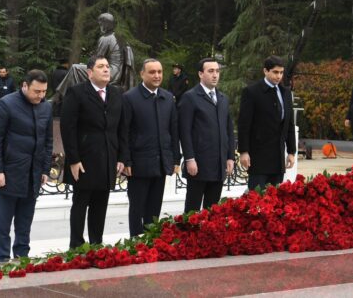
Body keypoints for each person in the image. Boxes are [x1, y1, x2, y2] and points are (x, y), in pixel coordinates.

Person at [60, 55, 127, 249]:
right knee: (81, 202)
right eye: (101, 67)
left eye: (107, 66)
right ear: (90, 72)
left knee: (101, 203)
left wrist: (121, 157)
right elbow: (68, 128)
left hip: (107, 158)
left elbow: (121, 128)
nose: (106, 69)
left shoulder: (116, 93)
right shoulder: (77, 93)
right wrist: (73, 159)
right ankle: (77, 245)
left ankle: (97, 243)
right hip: (84, 159)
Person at [0, 69, 53, 262]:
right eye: (36, 91)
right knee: (4, 220)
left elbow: (48, 141)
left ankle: (22, 256)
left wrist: (45, 169)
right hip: (9, 171)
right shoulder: (5, 104)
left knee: (25, 220)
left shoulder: (46, 107)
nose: (40, 96)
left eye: (44, 92)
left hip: (33, 172)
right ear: (24, 85)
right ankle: (2, 257)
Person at [121, 59, 181, 236]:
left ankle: (150, 243)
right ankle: (136, 243)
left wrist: (175, 159)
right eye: (152, 72)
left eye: (160, 72)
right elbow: (124, 132)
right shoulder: (130, 98)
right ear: (142, 74)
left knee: (154, 209)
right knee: (137, 208)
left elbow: (173, 131)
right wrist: (126, 160)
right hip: (138, 164)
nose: (157, 75)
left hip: (161, 163)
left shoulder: (168, 98)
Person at [179, 58, 235, 212]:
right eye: (210, 71)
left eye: (217, 71)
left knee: (213, 212)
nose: (215, 75)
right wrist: (190, 158)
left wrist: (230, 157)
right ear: (200, 74)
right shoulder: (190, 97)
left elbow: (229, 130)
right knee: (192, 211)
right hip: (198, 165)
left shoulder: (223, 99)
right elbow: (184, 131)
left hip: (218, 166)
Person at [238, 56, 297, 191]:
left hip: (278, 158)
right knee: (256, 200)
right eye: (275, 72)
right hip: (258, 158)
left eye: (281, 73)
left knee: (275, 201)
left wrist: (292, 152)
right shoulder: (252, 92)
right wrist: (244, 151)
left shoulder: (286, 93)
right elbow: (244, 124)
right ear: (265, 71)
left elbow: (289, 124)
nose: (279, 76)